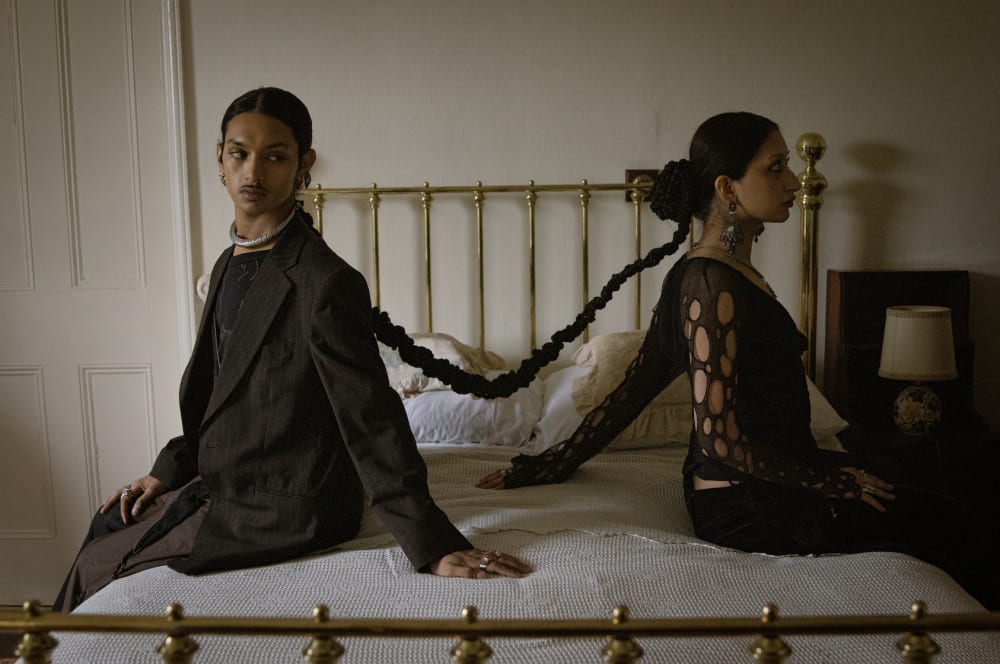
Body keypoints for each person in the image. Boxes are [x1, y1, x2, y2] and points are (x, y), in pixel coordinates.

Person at [477, 111, 996, 609]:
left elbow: (635, 391)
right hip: (747, 501)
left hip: (785, 471)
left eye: (789, 165)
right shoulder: (709, 283)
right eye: (775, 167)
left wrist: (559, 460)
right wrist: (832, 482)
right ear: (727, 189)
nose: (793, 182)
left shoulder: (716, 274)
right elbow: (718, 438)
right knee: (953, 522)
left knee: (952, 495)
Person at [54, 87, 530, 612]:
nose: (252, 171)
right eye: (239, 153)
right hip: (230, 481)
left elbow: (370, 418)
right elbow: (221, 398)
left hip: (286, 504)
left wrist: (435, 545)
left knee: (97, 567)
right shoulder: (226, 265)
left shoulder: (323, 282)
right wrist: (166, 472)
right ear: (220, 159)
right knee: (107, 519)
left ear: (304, 164)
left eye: (275, 156)